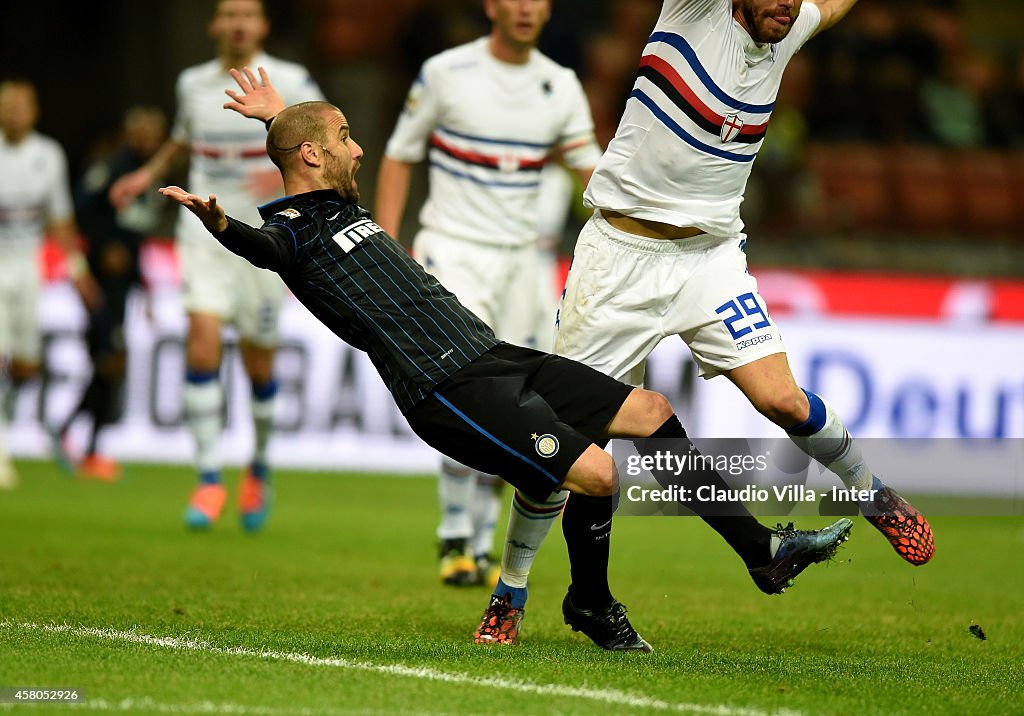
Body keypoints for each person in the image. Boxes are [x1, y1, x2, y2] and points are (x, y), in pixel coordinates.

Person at [160, 69, 853, 652]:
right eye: (345, 138)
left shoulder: (340, 206)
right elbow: (269, 249)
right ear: (312, 154)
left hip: (489, 353)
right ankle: (591, 603)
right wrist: (222, 223)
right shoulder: (290, 230)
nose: (360, 148)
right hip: (444, 387)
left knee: (650, 412)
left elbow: (304, 150)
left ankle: (760, 552)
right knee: (598, 474)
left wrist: (279, 117)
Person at [482, 0, 936, 642]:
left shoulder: (792, 26)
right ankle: (513, 587)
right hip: (618, 259)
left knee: (780, 397)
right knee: (573, 443)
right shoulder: (694, 12)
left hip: (709, 255)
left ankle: (872, 493)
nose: (786, 4)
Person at [374, 0, 601, 588]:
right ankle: (455, 533)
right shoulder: (447, 72)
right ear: (491, 6)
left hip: (526, 262)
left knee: (521, 405)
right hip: (455, 250)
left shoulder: (560, 84)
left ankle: (480, 538)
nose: (526, 8)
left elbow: (592, 177)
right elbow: (400, 153)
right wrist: (387, 240)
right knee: (466, 388)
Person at [109, 0, 325, 530]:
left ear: (263, 25)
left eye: (247, 14)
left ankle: (259, 466)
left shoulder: (291, 78)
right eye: (228, 13)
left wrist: (284, 177)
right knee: (202, 339)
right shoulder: (192, 84)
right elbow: (184, 140)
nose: (237, 23)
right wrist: (147, 174)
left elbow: (323, 145)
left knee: (259, 364)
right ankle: (208, 478)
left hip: (266, 234)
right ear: (214, 25)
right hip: (203, 227)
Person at [50, 106, 169, 481]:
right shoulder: (112, 168)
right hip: (100, 282)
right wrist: (102, 248)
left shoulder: (152, 178)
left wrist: (144, 287)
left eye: (155, 134)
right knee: (110, 358)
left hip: (124, 285)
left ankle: (77, 437)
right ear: (129, 133)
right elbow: (79, 210)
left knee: (110, 360)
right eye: (142, 132)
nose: (148, 140)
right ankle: (83, 443)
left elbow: (135, 237)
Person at [0, 78, 101, 489]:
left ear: (35, 111)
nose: (14, 111)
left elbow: (59, 219)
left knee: (25, 365)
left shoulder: (48, 154)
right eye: (7, 104)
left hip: (28, 265)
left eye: (21, 104)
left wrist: (78, 271)